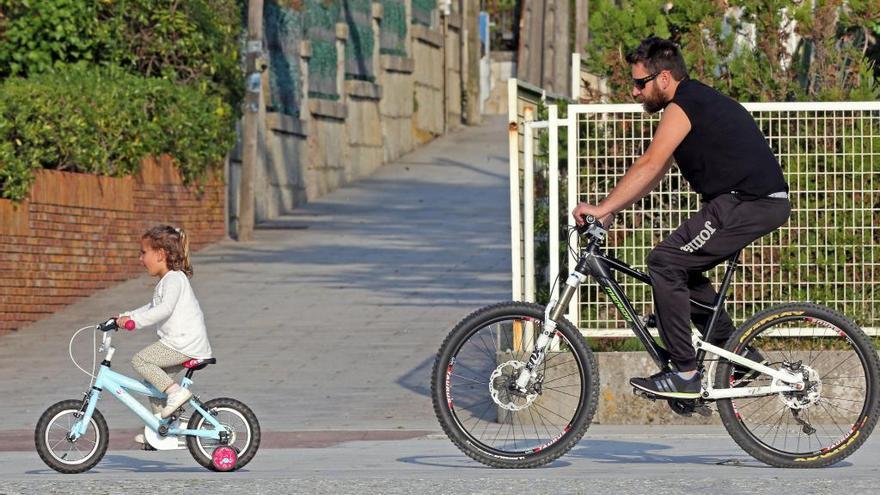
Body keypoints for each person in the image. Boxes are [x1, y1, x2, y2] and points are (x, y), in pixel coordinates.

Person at [571, 37, 790, 399]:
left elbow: (649, 163)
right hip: (748, 201)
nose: (634, 91)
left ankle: (685, 373)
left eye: (640, 83)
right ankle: (737, 355)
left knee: (664, 262)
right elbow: (654, 173)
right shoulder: (694, 102)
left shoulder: (684, 104)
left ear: (664, 78)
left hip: (748, 201)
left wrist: (602, 208)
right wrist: (611, 209)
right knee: (680, 269)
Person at [116, 225, 212, 444]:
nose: (140, 258)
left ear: (160, 255)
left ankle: (176, 395)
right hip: (179, 343)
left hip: (184, 343)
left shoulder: (175, 279)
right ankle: (161, 428)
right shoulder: (166, 281)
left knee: (141, 360)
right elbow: (151, 306)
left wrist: (134, 323)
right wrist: (123, 316)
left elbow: (163, 309)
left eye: (143, 252)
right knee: (154, 382)